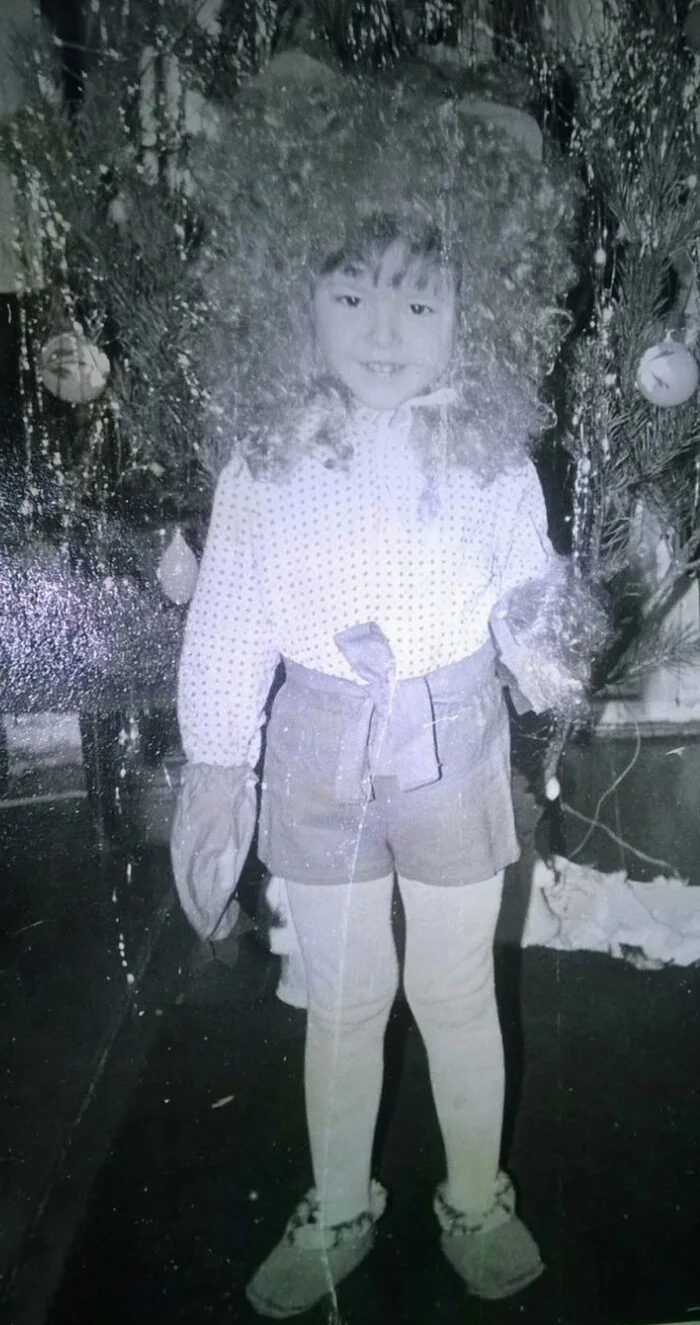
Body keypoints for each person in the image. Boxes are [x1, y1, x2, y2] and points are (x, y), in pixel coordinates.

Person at [172, 60, 587, 1319]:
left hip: (452, 744)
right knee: (343, 999)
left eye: (420, 300)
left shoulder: (490, 456)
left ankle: (473, 1190)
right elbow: (232, 615)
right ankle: (341, 1199)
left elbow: (527, 584)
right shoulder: (265, 461)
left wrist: (549, 642)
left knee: (454, 990)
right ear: (287, 296)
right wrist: (213, 765)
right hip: (312, 751)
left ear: (481, 304)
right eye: (349, 292)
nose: (381, 329)